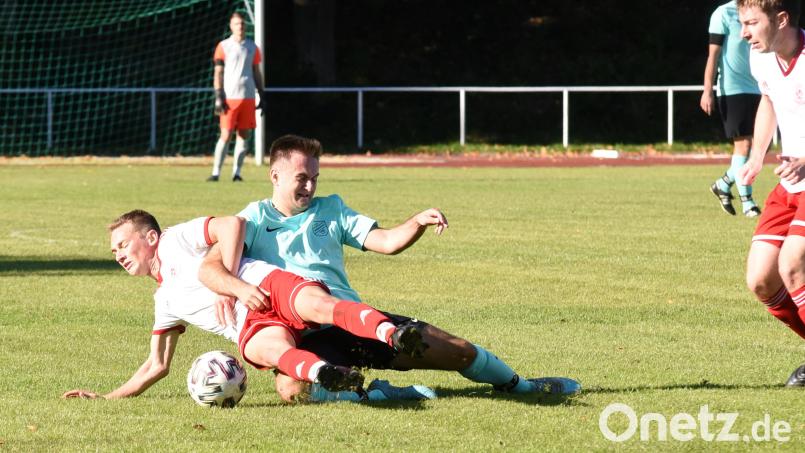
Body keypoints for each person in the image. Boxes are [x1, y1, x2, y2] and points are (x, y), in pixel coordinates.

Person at [201, 134, 581, 402]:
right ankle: (378, 393)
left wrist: (416, 221)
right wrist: (229, 289)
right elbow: (213, 264)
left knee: (460, 352)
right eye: (302, 178)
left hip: (354, 319)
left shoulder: (331, 209)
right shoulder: (252, 218)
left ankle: (524, 387)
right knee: (292, 391)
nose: (310, 187)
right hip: (300, 332)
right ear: (276, 176)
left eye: (315, 178)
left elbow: (385, 242)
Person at [63, 210, 436, 402]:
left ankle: (394, 332)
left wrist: (227, 283)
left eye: (123, 246)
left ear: (150, 237)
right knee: (269, 351)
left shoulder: (175, 240)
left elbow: (232, 223)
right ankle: (325, 373)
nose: (118, 255)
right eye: (114, 252)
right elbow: (156, 365)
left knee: (321, 305)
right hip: (250, 326)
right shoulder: (164, 302)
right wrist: (106, 398)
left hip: (261, 284)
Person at [735, 0, 805, 386]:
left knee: (792, 264)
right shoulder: (760, 58)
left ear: (781, 20)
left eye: (750, 23)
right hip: (790, 183)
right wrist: (756, 157)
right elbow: (769, 100)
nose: (744, 33)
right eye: (741, 23)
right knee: (761, 279)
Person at [702, 0, 763, 217]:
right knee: (743, 145)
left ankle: (724, 183)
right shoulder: (722, 13)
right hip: (732, 89)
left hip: (758, 87)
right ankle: (748, 202)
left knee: (758, 148)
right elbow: (713, 56)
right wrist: (707, 89)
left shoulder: (760, 11)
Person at [207, 12, 265, 183]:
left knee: (244, 135)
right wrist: (219, 94)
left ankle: (237, 173)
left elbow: (256, 72)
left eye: (242, 23)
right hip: (229, 98)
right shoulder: (223, 46)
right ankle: (216, 172)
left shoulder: (252, 47)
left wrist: (261, 93)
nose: (240, 26)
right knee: (225, 134)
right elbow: (218, 72)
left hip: (248, 97)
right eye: (237, 24)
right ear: (231, 26)